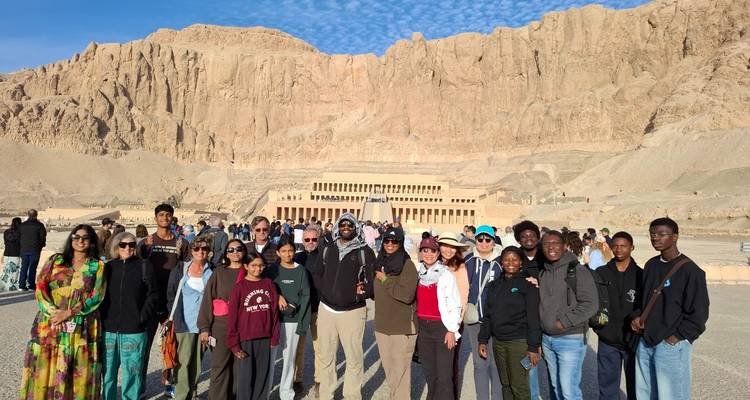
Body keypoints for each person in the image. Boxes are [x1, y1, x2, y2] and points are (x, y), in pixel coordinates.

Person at [19, 224, 105, 399]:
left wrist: (69, 313)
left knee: (78, 371)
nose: (80, 241)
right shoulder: (55, 260)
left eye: (85, 237)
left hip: (80, 326)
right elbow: (40, 288)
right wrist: (54, 313)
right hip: (50, 324)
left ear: (91, 241)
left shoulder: (97, 265)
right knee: (45, 368)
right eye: (76, 237)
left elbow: (97, 295)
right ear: (71, 239)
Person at [631, 218, 709, 400]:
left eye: (661, 234)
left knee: (671, 395)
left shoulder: (691, 270)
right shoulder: (651, 265)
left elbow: (699, 313)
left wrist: (676, 338)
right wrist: (637, 317)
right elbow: (643, 299)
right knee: (644, 394)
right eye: (652, 234)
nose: (655, 238)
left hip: (671, 344)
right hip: (646, 341)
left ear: (675, 237)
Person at [310, 213, 375, 400]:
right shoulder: (328, 249)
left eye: (350, 225)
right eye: (343, 224)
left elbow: (372, 282)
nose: (346, 227)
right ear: (338, 226)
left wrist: (359, 294)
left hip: (352, 312)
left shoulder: (364, 252)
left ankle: (352, 395)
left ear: (356, 228)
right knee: (326, 356)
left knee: (354, 357)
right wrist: (325, 291)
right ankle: (326, 394)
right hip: (327, 309)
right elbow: (317, 273)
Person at [539, 230, 598, 400]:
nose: (551, 247)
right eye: (546, 244)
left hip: (570, 338)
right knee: (556, 387)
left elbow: (590, 304)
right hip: (548, 339)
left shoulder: (577, 270)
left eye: (555, 243)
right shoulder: (544, 272)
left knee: (569, 391)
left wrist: (564, 322)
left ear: (564, 246)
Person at [139, 203, 190, 398]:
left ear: (172, 218)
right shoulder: (146, 243)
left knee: (171, 346)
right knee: (145, 346)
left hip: (173, 302)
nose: (165, 218)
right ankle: (141, 387)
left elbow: (188, 270)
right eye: (161, 215)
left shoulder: (181, 243)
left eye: (168, 215)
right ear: (155, 218)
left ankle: (170, 385)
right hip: (150, 301)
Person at [100, 231, 160, 400]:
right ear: (116, 247)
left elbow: (153, 294)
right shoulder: (108, 267)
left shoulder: (143, 266)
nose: (128, 248)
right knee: (108, 374)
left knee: (132, 373)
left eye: (132, 245)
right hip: (109, 330)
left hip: (134, 330)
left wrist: (142, 317)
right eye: (123, 245)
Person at [478, 246, 541, 400]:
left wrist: (533, 347)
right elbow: (488, 315)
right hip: (499, 342)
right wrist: (483, 340)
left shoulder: (528, 285)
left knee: (519, 386)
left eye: (515, 259)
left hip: (518, 342)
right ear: (501, 262)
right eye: (506, 259)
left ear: (521, 263)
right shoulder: (494, 285)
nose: (510, 262)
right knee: (505, 383)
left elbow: (534, 318)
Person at [594, 231, 642, 400]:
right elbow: (593, 302)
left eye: (623, 246)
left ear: (632, 248)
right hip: (608, 341)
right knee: (607, 389)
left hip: (633, 341)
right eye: (615, 246)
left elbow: (645, 305)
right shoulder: (601, 273)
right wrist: (598, 326)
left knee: (636, 388)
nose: (619, 249)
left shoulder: (641, 275)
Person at [198, 239, 246, 400]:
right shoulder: (219, 272)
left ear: (244, 251)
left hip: (244, 327)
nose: (235, 252)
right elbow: (207, 299)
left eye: (239, 249)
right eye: (231, 250)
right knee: (220, 367)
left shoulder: (250, 271)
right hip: (221, 327)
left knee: (239, 368)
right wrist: (204, 328)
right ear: (226, 253)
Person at [166, 237, 214, 400]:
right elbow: (171, 294)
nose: (201, 252)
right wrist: (175, 318)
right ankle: (180, 395)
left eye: (204, 249)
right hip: (184, 323)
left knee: (197, 364)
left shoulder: (212, 270)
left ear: (209, 251)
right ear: (191, 251)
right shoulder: (180, 269)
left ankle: (191, 394)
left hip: (204, 325)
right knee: (183, 362)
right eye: (197, 249)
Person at [373, 228, 418, 400]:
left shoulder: (407, 265)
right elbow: (377, 291)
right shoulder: (380, 262)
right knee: (391, 371)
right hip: (383, 325)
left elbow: (406, 296)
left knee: (401, 373)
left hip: (402, 326)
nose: (390, 245)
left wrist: (385, 279)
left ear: (400, 243)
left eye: (394, 242)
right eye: (387, 241)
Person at [227, 253, 279, 400]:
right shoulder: (239, 287)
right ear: (246, 266)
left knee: (262, 377)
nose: (258, 269)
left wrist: (274, 337)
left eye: (261, 265)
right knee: (245, 379)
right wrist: (234, 344)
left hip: (265, 338)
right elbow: (232, 318)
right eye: (254, 265)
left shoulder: (268, 283)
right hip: (245, 339)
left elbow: (274, 312)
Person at [416, 236, 462, 400]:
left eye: (432, 250)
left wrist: (452, 330)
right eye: (425, 250)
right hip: (423, 328)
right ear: (420, 252)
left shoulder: (446, 275)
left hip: (441, 328)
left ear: (438, 253)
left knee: (444, 377)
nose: (428, 254)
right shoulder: (417, 272)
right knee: (430, 375)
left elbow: (455, 304)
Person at [265, 237, 311, 400]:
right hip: (274, 320)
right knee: (270, 358)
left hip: (292, 320)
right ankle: (265, 392)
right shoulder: (272, 270)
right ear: (278, 252)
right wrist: (277, 296)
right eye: (283, 251)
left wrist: (302, 323)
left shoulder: (301, 271)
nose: (287, 254)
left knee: (289, 358)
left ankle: (286, 393)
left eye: (290, 251)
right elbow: (264, 289)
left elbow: (306, 297)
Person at [464, 225, 503, 400]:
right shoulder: (469, 261)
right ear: (476, 240)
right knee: (480, 364)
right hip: (475, 321)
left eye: (488, 239)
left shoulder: (503, 262)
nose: (484, 243)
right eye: (480, 239)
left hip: (496, 321)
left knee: (496, 364)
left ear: (494, 241)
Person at [512, 220, 544, 398]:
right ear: (518, 239)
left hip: (546, 315)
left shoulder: (546, 256)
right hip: (525, 318)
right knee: (529, 363)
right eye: (523, 236)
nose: (528, 239)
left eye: (532, 235)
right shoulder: (516, 259)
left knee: (552, 366)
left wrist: (540, 283)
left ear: (538, 237)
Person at [437, 231, 470, 398]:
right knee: (436, 363)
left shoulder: (459, 267)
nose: (448, 250)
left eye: (452, 247)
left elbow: (463, 298)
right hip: (434, 321)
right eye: (445, 246)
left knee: (450, 363)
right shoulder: (432, 263)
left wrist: (454, 326)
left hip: (452, 322)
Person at [292, 226, 322, 396]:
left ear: (318, 239)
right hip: (301, 309)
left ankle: (319, 379)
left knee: (320, 347)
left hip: (319, 308)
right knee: (298, 347)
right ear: (302, 241)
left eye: (314, 239)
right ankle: (297, 379)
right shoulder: (297, 258)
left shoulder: (325, 257)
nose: (310, 242)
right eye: (307, 240)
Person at [18, 209, 47, 291]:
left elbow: (18, 237)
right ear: (36, 215)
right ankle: (31, 285)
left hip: (24, 249)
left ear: (28, 215)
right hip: (35, 249)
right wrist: (41, 245)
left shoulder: (22, 225)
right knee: (33, 267)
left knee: (24, 267)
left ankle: (21, 285)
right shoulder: (39, 225)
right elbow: (42, 237)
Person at [1, 217, 22, 291]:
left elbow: (6, 243)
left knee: (6, 271)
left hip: (7, 253)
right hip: (16, 253)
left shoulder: (6, 232)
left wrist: (2, 255)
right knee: (15, 271)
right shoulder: (20, 232)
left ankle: (4, 286)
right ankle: (12, 287)